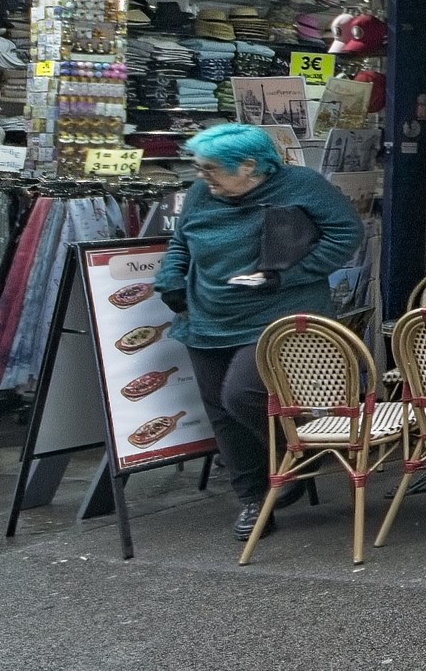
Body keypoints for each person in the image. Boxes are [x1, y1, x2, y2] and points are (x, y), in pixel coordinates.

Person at [154, 122, 365, 541]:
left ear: (249, 166)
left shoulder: (301, 185)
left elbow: (346, 233)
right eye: (199, 167)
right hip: (208, 316)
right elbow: (182, 241)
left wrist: (288, 275)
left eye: (211, 168)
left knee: (241, 395)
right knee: (222, 414)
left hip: (277, 313)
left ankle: (295, 454)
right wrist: (171, 280)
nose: (202, 176)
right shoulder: (201, 194)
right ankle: (254, 500)